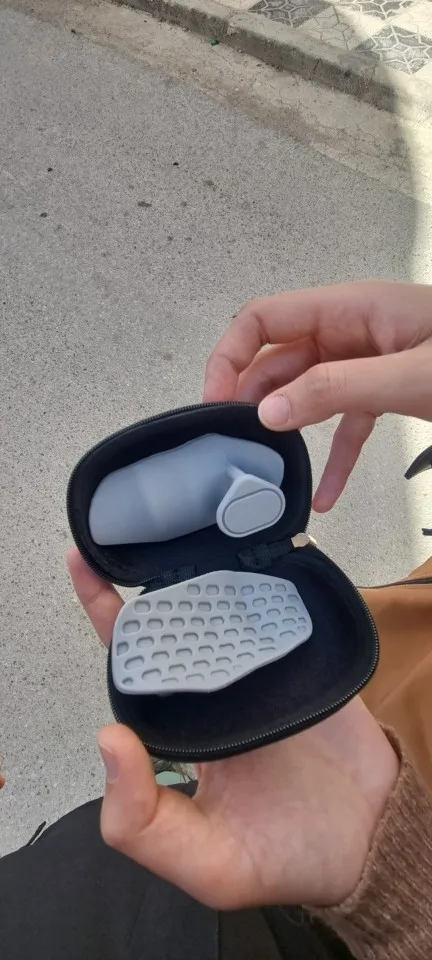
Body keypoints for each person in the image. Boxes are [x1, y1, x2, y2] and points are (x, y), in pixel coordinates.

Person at [1, 280, 432, 960]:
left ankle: (188, 758)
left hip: (339, 869)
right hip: (373, 770)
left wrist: (391, 896)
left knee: (58, 893)